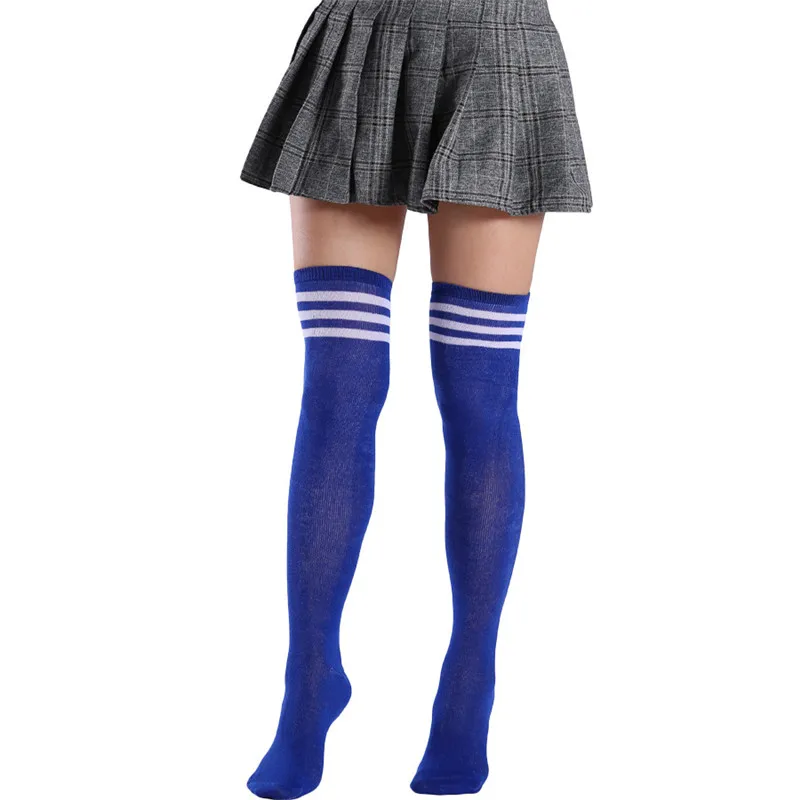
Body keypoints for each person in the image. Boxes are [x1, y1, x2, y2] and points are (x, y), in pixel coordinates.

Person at [240, 0, 591, 796]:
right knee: (339, 385)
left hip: (498, 47)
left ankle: (471, 679)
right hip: (360, 36)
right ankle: (309, 680)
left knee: (478, 397)